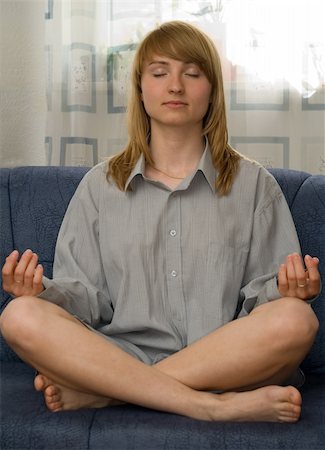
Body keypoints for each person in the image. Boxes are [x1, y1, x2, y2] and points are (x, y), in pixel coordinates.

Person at [0, 21, 321, 423]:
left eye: (192, 73)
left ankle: (110, 394)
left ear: (212, 91)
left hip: (225, 359)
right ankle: (209, 405)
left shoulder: (255, 185)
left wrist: (293, 291)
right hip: (120, 353)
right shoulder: (100, 186)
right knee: (19, 315)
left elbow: (264, 303)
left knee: (297, 319)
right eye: (159, 72)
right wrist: (39, 292)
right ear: (140, 88)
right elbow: (86, 299)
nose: (175, 86)